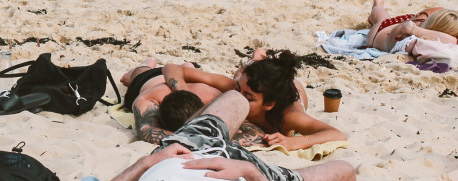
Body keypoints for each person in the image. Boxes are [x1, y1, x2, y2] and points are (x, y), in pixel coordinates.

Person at [106, 90, 355, 181]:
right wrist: (252, 172)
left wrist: (147, 162)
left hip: (177, 153)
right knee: (344, 171)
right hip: (242, 171)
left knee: (235, 98)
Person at [159, 50, 347, 152]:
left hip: (291, 88)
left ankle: (259, 56)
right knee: (241, 75)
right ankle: (257, 58)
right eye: (239, 90)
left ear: (268, 105)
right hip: (262, 85)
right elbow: (172, 68)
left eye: (248, 97)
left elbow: (337, 134)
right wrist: (181, 91)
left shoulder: (288, 117)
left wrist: (294, 142)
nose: (238, 97)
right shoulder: (238, 89)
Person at [360, 0, 458, 53]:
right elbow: (453, 41)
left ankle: (378, 5)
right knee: (380, 17)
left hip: (411, 22)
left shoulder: (415, 36)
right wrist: (415, 30)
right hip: (383, 31)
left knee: (381, 18)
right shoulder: (410, 35)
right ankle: (377, 4)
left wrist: (416, 29)